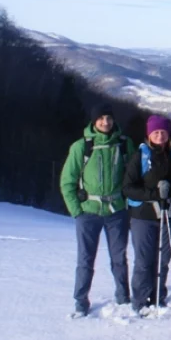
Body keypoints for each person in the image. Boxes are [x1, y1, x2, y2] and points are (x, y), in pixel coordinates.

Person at [60, 103, 135, 317]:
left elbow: (133, 176)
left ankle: (123, 296)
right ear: (94, 121)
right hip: (89, 212)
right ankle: (80, 301)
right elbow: (67, 181)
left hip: (116, 210)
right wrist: (77, 211)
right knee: (85, 259)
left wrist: (129, 203)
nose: (105, 122)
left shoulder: (124, 144)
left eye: (109, 118)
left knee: (119, 257)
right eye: (101, 118)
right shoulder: (81, 147)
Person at [123, 115, 171, 313]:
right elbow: (127, 188)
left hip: (168, 215)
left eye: (163, 132)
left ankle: (158, 297)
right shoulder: (140, 157)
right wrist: (153, 194)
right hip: (143, 216)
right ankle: (140, 301)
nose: (159, 136)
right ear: (149, 135)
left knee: (163, 260)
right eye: (155, 133)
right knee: (143, 261)